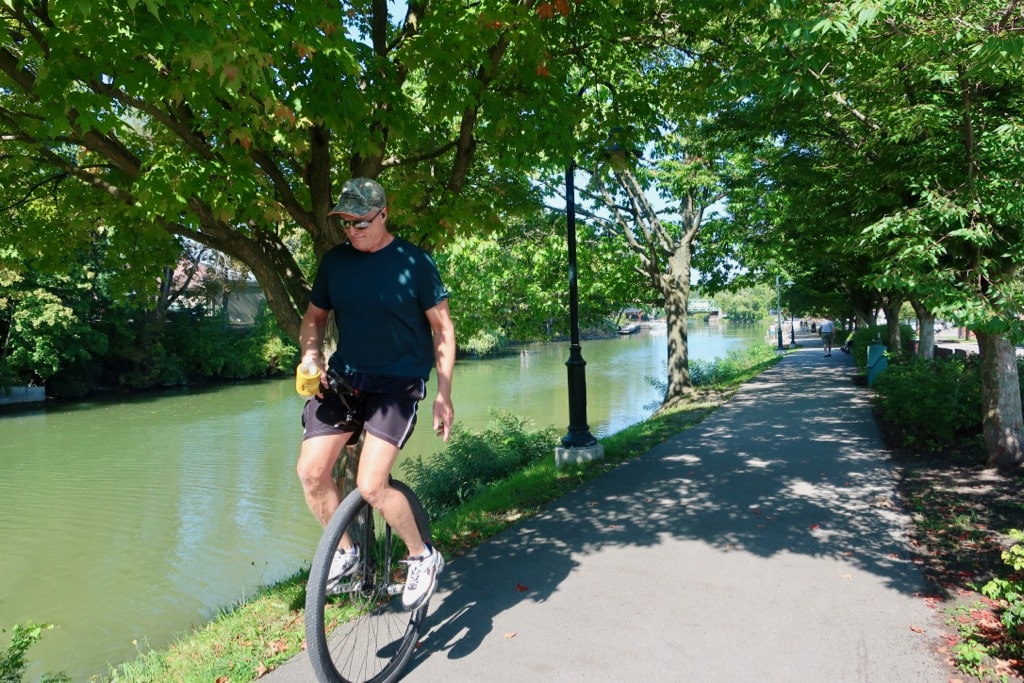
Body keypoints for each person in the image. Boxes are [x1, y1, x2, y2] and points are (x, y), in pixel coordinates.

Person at [295, 177, 456, 611]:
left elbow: (442, 329)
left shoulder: (415, 263)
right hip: (345, 379)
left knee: (370, 485)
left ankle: (422, 556)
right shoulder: (335, 264)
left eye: (361, 221)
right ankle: (345, 552)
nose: (352, 229)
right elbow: (314, 317)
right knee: (312, 473)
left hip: (397, 384)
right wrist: (312, 355)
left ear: (384, 213)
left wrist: (443, 393)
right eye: (345, 222)